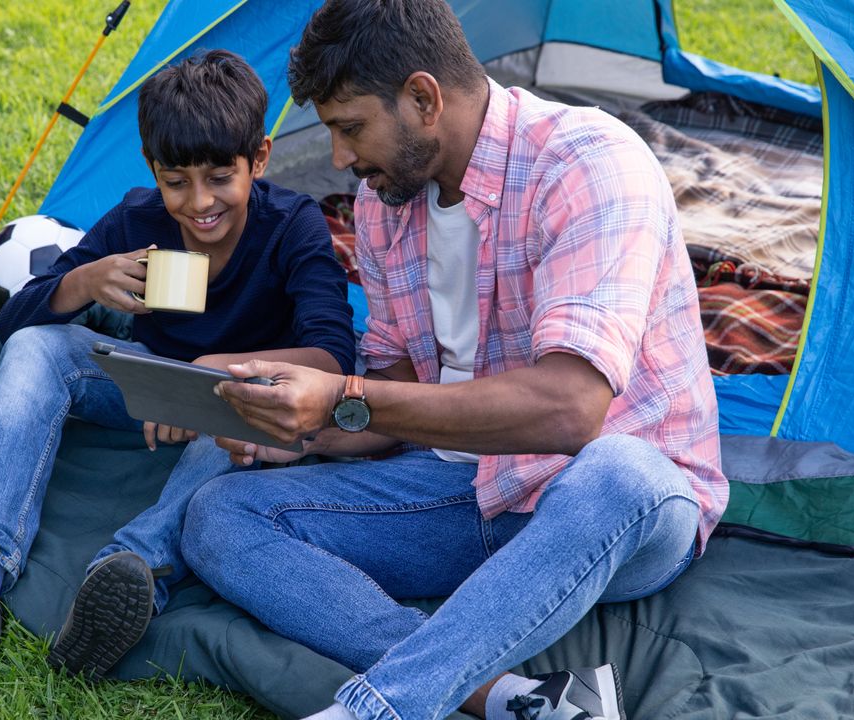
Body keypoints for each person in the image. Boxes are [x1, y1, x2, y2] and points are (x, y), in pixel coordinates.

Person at [177, 2, 729, 719]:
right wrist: (303, 424)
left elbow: (571, 411)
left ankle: (378, 706)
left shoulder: (590, 163)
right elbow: (394, 395)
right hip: (463, 489)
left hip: (613, 510)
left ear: (422, 99)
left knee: (620, 470)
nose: (340, 159)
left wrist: (346, 393)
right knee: (219, 517)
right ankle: (506, 699)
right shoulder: (384, 206)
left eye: (349, 128)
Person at [0, 49, 356, 681]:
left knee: (245, 413)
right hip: (145, 385)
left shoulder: (293, 226)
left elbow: (333, 354)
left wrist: (214, 372)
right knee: (38, 346)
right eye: (177, 181)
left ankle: (131, 575)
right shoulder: (137, 220)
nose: (199, 203)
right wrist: (84, 281)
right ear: (154, 171)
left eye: (220, 177)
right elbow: (18, 324)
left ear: (260, 159)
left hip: (240, 400)